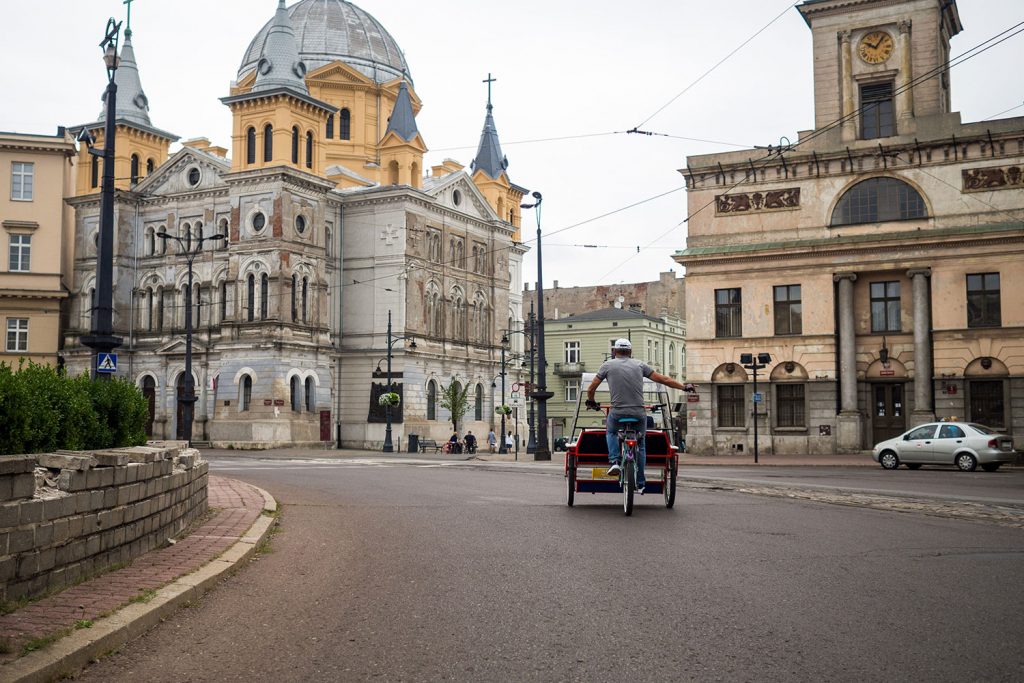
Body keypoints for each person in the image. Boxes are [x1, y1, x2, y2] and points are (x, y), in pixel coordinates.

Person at [586, 338, 685, 493]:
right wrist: (684, 387)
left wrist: (591, 401)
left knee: (611, 432)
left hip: (617, 412)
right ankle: (640, 482)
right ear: (630, 352)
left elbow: (591, 388)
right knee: (641, 444)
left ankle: (614, 461)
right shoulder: (640, 365)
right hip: (638, 413)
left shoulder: (607, 365)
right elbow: (664, 379)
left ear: (614, 351)